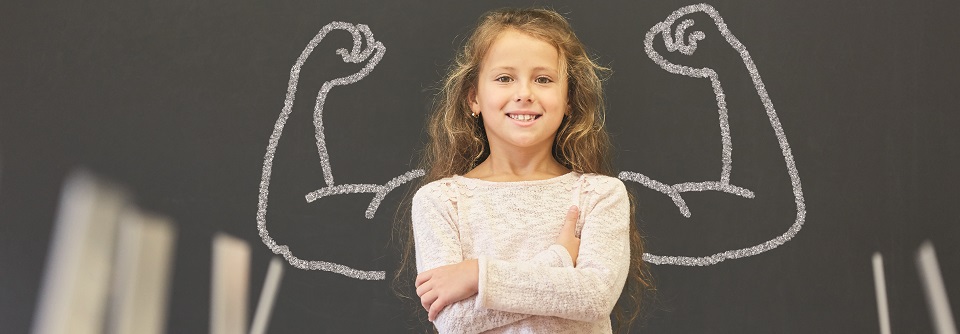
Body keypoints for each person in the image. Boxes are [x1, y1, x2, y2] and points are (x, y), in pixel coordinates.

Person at [393, 7, 653, 333]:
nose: (525, 94)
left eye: (543, 79)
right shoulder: (440, 201)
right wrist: (558, 261)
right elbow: (454, 321)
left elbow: (593, 298)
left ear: (569, 98)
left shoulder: (600, 195)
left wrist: (477, 276)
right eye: (504, 78)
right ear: (474, 97)